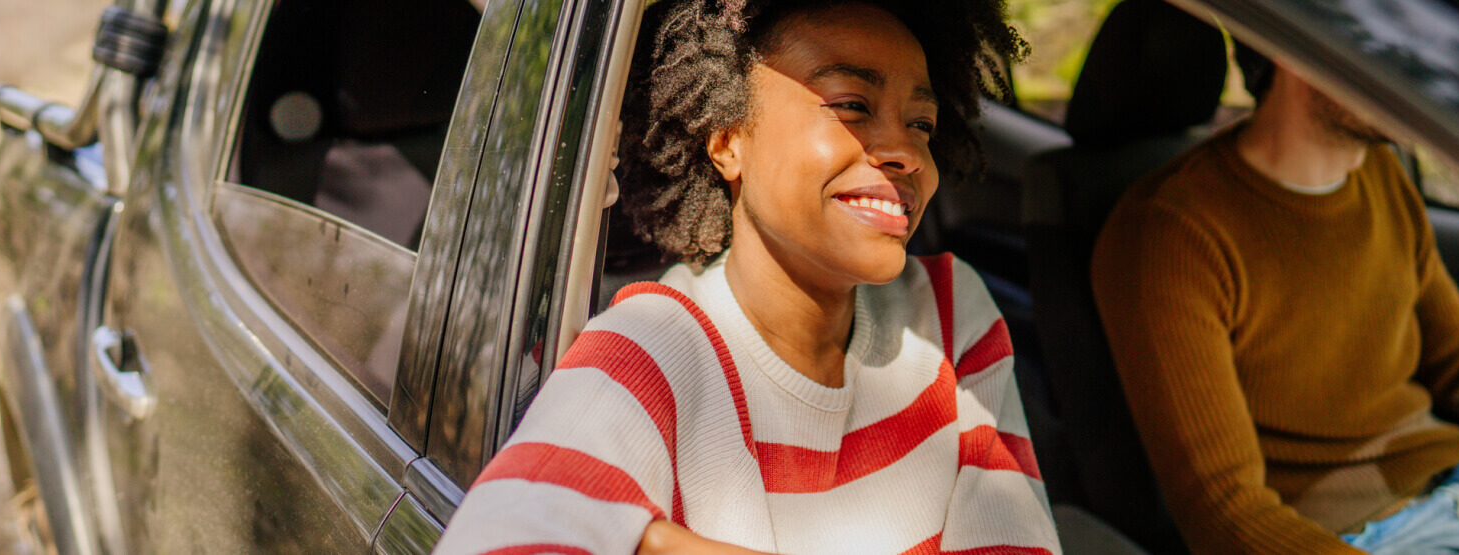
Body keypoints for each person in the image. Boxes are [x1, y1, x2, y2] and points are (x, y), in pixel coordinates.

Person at [433, 0, 1064, 553]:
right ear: (728, 139)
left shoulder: (952, 314)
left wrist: (657, 544)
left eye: (920, 123)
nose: (902, 151)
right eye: (852, 105)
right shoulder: (654, 344)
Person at [1091, 46, 1459, 555]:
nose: (1417, 76)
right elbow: (1225, 508)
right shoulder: (1171, 234)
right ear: (1297, 53)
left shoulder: (1381, 172)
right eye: (1382, 48)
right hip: (1368, 537)